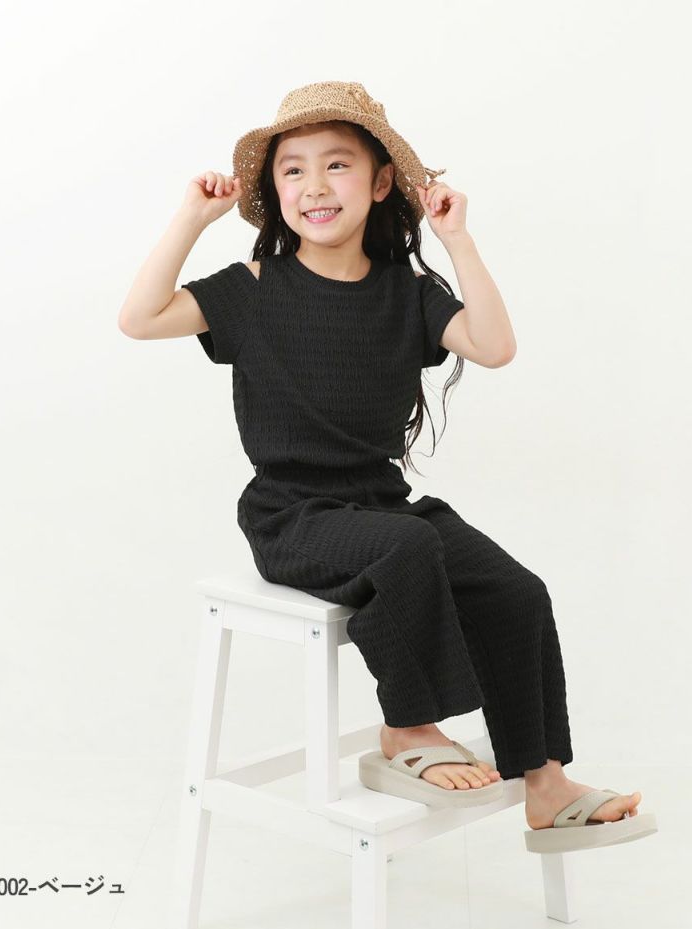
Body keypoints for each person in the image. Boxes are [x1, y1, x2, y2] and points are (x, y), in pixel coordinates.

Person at [118, 81, 657, 853]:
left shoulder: (408, 291)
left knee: (513, 588)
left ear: (378, 186)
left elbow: (495, 346)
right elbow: (139, 319)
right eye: (294, 170)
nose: (314, 185)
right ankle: (408, 729)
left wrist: (457, 240)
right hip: (292, 516)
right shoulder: (256, 288)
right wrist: (191, 219)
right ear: (276, 192)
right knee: (405, 548)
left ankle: (545, 784)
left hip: (382, 505)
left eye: (336, 165)